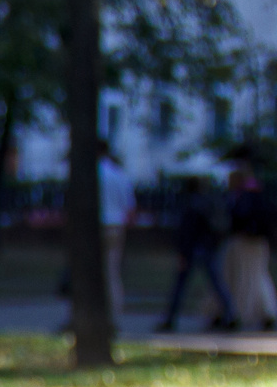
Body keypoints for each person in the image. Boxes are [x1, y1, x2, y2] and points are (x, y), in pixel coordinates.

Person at [154, 176, 235, 332]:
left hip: (193, 250)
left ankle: (170, 319)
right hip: (208, 248)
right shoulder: (208, 203)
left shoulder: (190, 206)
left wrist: (182, 252)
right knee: (216, 282)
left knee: (181, 285)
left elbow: (186, 233)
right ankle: (230, 313)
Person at [226, 156, 275, 331]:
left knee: (246, 278)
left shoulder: (244, 196)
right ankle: (267, 311)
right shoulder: (260, 193)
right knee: (259, 275)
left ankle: (242, 313)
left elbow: (238, 218)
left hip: (247, 241)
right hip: (260, 241)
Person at [98, 142, 137, 319]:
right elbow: (130, 207)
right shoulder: (119, 174)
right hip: (116, 225)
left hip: (97, 224)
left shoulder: (92, 175)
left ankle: (96, 309)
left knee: (92, 269)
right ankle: (114, 310)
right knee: (112, 270)